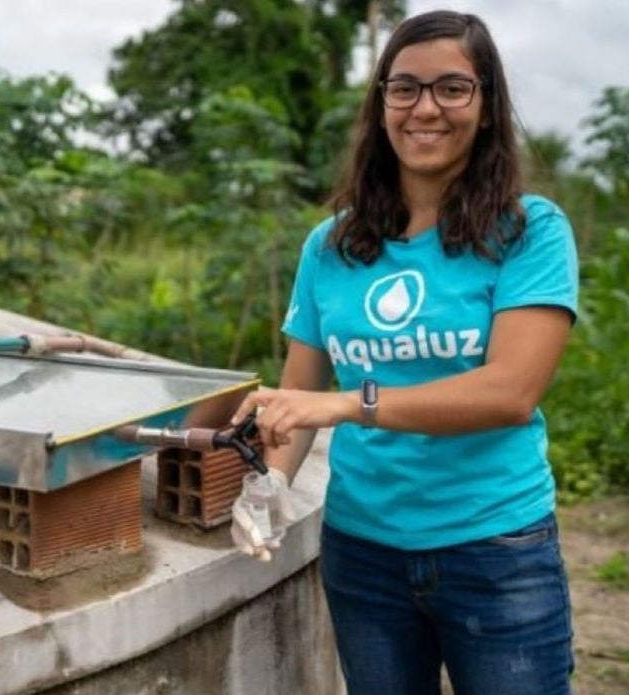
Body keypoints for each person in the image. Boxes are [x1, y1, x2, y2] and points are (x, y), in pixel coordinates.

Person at [229, 10, 577, 695]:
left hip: (496, 549)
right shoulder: (330, 245)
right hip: (364, 555)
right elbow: (300, 397)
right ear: (381, 103)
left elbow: (510, 391)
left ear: (486, 105)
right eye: (405, 88)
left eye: (452, 88)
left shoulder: (528, 230)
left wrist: (348, 403)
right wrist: (267, 483)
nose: (426, 108)